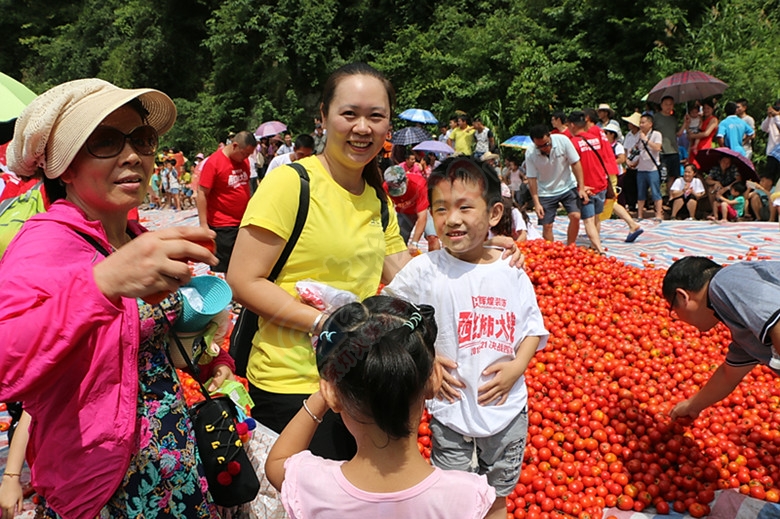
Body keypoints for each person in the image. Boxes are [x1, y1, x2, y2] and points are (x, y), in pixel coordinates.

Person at [227, 63, 523, 463]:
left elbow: (408, 273)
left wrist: (480, 254)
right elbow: (243, 280)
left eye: (375, 116)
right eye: (349, 114)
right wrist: (324, 323)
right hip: (293, 384)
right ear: (323, 118)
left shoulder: (376, 199)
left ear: (387, 127)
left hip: (361, 381)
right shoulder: (291, 184)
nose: (362, 127)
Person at [0, 78, 235, 518]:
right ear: (64, 167)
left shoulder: (134, 235)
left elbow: (142, 351)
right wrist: (101, 286)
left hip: (174, 462)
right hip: (103, 488)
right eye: (106, 141)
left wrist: (210, 354)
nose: (133, 156)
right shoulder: (45, 242)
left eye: (142, 140)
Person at [383, 157, 548, 519]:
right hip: (449, 408)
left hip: (505, 408)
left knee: (499, 495)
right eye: (440, 209)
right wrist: (422, 357)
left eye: (464, 207)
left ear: (493, 214)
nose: (452, 219)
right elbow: (386, 313)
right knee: (454, 495)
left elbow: (533, 330)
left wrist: (517, 367)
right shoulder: (425, 270)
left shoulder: (510, 271)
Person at [265, 295, 495, 519]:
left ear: (331, 393)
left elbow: (276, 461)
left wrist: (324, 397)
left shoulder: (312, 486)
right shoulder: (468, 498)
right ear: (434, 378)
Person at [665, 257, 780, 420]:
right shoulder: (743, 325)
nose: (677, 318)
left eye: (673, 309)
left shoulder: (724, 282)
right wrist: (692, 406)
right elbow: (728, 375)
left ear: (683, 297)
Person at [197, 130, 256, 272]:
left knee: (244, 264)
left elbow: (246, 187)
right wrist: (203, 225)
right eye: (244, 153)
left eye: (249, 154)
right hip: (222, 224)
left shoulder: (244, 162)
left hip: (243, 221)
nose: (246, 158)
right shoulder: (214, 163)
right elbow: (202, 193)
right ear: (235, 145)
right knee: (226, 267)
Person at [525, 124, 586, 245]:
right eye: (540, 146)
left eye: (546, 144)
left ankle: (570, 246)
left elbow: (575, 163)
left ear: (549, 136)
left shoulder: (563, 141)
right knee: (547, 225)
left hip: (567, 185)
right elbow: (531, 178)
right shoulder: (530, 153)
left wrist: (582, 187)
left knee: (575, 216)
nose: (544, 148)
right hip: (545, 191)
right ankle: (550, 250)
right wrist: (536, 203)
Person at [567, 111, 608, 254]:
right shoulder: (596, 139)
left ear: (572, 125)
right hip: (601, 182)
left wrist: (581, 187)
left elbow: (572, 166)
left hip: (587, 187)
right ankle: (595, 246)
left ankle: (599, 249)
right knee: (596, 218)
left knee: (588, 220)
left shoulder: (573, 143)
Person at [383, 165, 435, 254]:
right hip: (404, 212)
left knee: (433, 237)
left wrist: (414, 242)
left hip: (424, 210)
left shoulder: (419, 184)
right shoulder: (385, 188)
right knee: (398, 241)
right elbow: (386, 211)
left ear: (406, 179)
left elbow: (422, 218)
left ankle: (436, 265)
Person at [626, 113, 663, 220]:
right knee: (641, 193)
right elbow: (638, 151)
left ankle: (658, 215)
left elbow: (657, 148)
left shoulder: (656, 134)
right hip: (641, 168)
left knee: (656, 192)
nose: (641, 125)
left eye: (643, 122)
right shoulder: (638, 135)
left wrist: (646, 140)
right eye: (640, 123)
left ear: (650, 124)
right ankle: (640, 215)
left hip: (653, 169)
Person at [654, 96, 682, 185]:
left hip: (673, 150)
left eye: (670, 104)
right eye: (666, 104)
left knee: (672, 176)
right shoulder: (655, 117)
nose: (668, 106)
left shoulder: (673, 119)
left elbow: (678, 133)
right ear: (661, 105)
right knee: (659, 175)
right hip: (661, 151)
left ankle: (670, 196)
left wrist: (686, 123)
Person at [761, 100, 780, 181]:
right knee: (769, 176)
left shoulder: (777, 118)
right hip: (772, 151)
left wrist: (776, 116)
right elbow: (763, 128)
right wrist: (769, 117)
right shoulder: (772, 118)